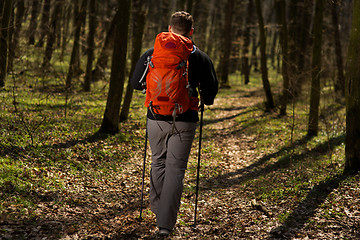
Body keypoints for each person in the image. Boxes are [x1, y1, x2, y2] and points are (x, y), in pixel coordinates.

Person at [131, 11, 218, 237]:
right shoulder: (200, 57)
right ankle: (165, 225)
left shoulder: (152, 53)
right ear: (191, 31)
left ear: (170, 28)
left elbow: (135, 83)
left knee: (158, 162)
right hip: (185, 120)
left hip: (156, 118)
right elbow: (210, 94)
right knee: (175, 171)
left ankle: (159, 210)